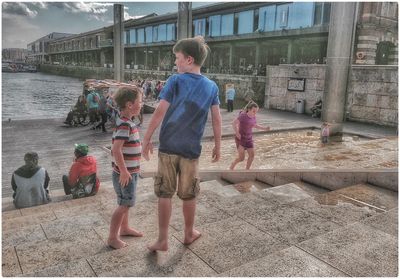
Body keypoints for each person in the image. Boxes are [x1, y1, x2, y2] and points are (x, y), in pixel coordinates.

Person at [142, 36, 222, 252]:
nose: (174, 63)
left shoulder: (174, 81)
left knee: (164, 193)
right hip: (191, 151)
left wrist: (147, 138)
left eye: (176, 58)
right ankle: (188, 233)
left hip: (168, 148)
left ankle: (162, 239)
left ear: (188, 59)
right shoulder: (212, 86)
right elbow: (216, 118)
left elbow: (160, 111)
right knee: (189, 194)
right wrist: (218, 144)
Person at [108, 86, 144, 249]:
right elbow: (116, 149)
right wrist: (123, 171)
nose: (142, 104)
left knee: (126, 202)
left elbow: (126, 146)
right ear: (130, 105)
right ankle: (112, 238)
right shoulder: (125, 125)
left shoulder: (125, 122)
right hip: (126, 174)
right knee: (124, 204)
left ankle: (125, 228)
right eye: (140, 101)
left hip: (128, 172)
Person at [230, 101, 271, 170]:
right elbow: (233, 123)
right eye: (253, 111)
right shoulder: (243, 116)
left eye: (256, 111)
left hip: (249, 139)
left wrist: (265, 128)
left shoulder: (254, 116)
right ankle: (233, 164)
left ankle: (247, 170)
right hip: (241, 139)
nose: (255, 113)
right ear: (249, 109)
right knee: (241, 158)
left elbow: (254, 125)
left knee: (252, 156)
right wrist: (237, 133)